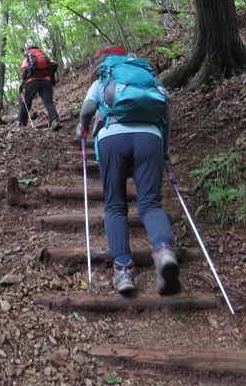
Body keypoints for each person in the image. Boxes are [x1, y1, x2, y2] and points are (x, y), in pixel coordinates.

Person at [76, 47, 179, 296]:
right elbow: (165, 108)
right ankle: (164, 251)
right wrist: (163, 149)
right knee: (151, 204)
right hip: (149, 138)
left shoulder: (104, 76)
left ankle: (123, 270)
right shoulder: (145, 75)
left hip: (113, 138)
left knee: (114, 206)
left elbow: (88, 109)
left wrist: (82, 128)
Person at [17, 44, 62, 132]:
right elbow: (55, 64)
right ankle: (54, 121)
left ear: (29, 51)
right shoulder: (44, 57)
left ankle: (21, 123)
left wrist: (22, 82)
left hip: (32, 81)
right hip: (46, 82)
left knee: (26, 102)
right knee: (49, 102)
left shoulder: (29, 57)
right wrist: (51, 77)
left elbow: (25, 69)